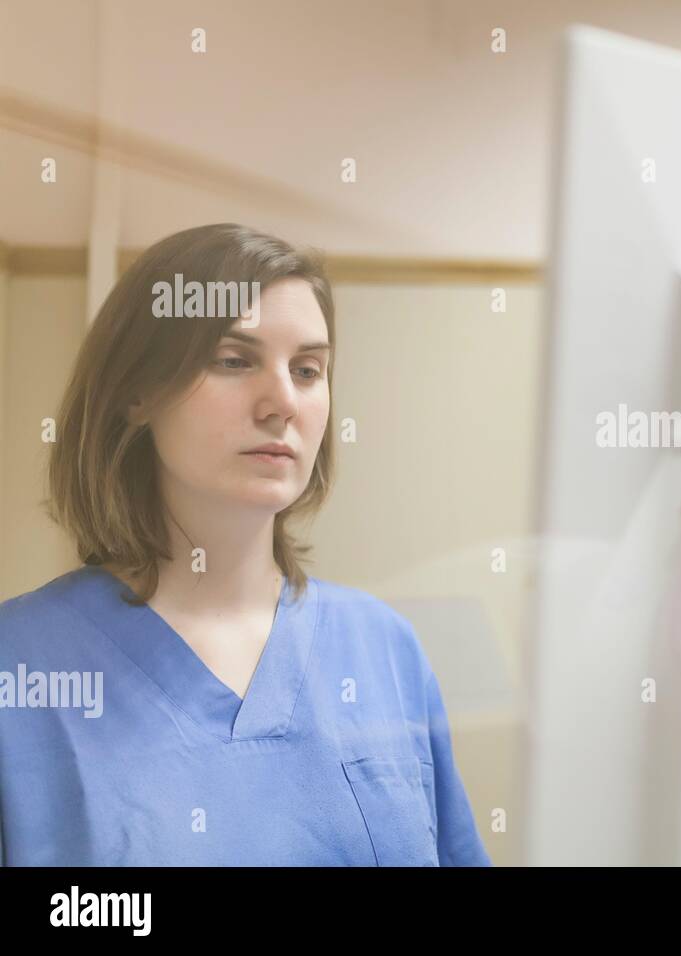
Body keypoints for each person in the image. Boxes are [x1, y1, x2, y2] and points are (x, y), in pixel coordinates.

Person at [0, 223, 490, 866]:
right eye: (234, 360)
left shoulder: (384, 651)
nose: (282, 402)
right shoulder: (23, 667)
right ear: (136, 393)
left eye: (308, 370)